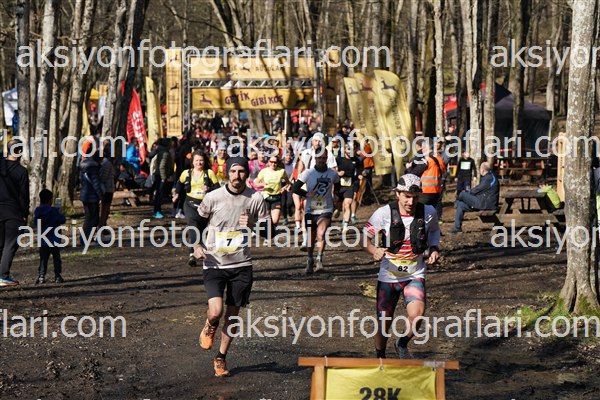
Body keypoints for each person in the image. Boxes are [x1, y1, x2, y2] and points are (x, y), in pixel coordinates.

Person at [195, 157, 270, 377]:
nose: (237, 176)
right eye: (233, 171)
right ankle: (210, 324)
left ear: (247, 174)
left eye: (241, 171)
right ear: (227, 173)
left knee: (232, 315)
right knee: (216, 311)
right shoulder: (213, 197)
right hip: (214, 263)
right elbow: (195, 224)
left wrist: (253, 225)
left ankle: (221, 357)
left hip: (242, 265)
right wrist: (196, 245)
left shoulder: (255, 198)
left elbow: (270, 232)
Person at [363, 174, 440, 359]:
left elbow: (434, 231)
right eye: (406, 196)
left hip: (414, 274)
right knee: (383, 323)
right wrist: (373, 250)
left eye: (415, 197)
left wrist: (434, 248)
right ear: (397, 193)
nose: (410, 202)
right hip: (389, 275)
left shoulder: (428, 212)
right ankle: (380, 357)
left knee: (417, 314)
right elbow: (365, 236)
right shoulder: (384, 213)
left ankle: (402, 343)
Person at [292, 148, 340, 274]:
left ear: (327, 158)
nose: (322, 160)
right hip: (310, 211)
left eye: (324, 158)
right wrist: (307, 194)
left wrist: (336, 195)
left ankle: (319, 260)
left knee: (321, 233)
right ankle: (310, 259)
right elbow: (295, 188)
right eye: (319, 158)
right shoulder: (308, 173)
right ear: (315, 158)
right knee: (311, 237)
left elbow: (338, 185)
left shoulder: (332, 174)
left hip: (326, 209)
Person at [173, 151, 218, 267]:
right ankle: (192, 253)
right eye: (196, 160)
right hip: (190, 203)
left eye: (201, 160)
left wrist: (208, 188)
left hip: (205, 204)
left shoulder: (209, 173)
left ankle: (200, 250)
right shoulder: (186, 173)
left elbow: (218, 188)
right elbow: (179, 183)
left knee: (202, 229)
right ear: (192, 162)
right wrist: (176, 194)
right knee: (192, 226)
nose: (199, 162)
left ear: (205, 161)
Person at [0, 139, 29, 287]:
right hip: (13, 212)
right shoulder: (21, 171)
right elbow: (23, 196)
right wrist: (24, 214)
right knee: (10, 244)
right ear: (20, 151)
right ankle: (3, 275)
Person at [450, 162, 500, 233]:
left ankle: (456, 202)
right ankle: (457, 227)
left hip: (485, 204)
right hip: (484, 201)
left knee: (462, 194)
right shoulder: (490, 176)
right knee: (461, 204)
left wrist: (468, 193)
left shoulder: (488, 178)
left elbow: (478, 189)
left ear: (483, 170)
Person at [34, 189, 66, 284]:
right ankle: (57, 275)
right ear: (50, 200)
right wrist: (59, 211)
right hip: (54, 239)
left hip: (43, 240)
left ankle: (41, 276)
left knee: (43, 259)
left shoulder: (38, 211)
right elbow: (62, 220)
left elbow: (36, 223)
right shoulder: (54, 211)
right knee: (56, 258)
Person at [254, 155, 290, 227]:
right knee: (265, 220)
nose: (273, 164)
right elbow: (255, 184)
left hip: (277, 197)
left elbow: (288, 183)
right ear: (268, 162)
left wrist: (284, 188)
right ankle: (268, 232)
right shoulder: (264, 171)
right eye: (271, 162)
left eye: (275, 162)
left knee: (275, 221)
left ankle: (271, 231)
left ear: (277, 163)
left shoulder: (281, 171)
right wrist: (262, 184)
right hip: (266, 197)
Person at [79, 148, 104, 239]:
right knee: (93, 219)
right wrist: (101, 195)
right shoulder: (93, 168)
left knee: (88, 218)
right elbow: (96, 183)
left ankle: (85, 237)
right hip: (92, 196)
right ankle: (86, 238)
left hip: (85, 194)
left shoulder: (83, 166)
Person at [335, 144, 359, 232]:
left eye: (352, 149)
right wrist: (338, 173)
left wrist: (356, 189)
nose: (350, 151)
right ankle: (337, 209)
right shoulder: (339, 159)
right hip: (339, 186)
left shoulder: (356, 160)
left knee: (347, 204)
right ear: (345, 150)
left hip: (349, 186)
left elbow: (358, 174)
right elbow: (333, 169)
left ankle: (345, 225)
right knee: (339, 204)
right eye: (348, 149)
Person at [99, 153, 115, 228]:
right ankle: (102, 225)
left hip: (107, 188)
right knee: (105, 208)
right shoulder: (106, 163)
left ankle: (102, 225)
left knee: (104, 208)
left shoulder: (105, 163)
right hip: (108, 188)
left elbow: (103, 177)